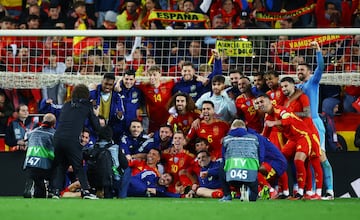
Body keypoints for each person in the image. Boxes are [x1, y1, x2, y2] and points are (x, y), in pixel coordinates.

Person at [255, 94, 318, 200]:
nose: (260, 105)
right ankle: (284, 192)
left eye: (262, 101)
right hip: (292, 139)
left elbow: (288, 120)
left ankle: (301, 193)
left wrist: (273, 123)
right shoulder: (268, 117)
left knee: (298, 161)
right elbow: (265, 135)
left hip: (303, 135)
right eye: (257, 103)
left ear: (270, 101)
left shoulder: (280, 110)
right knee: (280, 161)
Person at [296, 41, 335, 200]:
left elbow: (321, 68)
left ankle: (330, 191)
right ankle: (312, 191)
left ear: (309, 72)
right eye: (297, 69)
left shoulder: (312, 82)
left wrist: (318, 51)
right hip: (303, 127)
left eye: (302, 69)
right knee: (308, 160)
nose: (299, 71)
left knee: (321, 157)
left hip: (315, 124)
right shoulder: (297, 88)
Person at [51, 84, 101, 199]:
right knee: (78, 165)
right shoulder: (87, 105)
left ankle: (56, 191)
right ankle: (86, 191)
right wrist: (96, 115)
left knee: (61, 165)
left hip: (58, 138)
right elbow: (96, 126)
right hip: (71, 139)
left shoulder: (66, 105)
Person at [220, 119, 262, 202]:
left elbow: (224, 157)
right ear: (245, 129)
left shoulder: (226, 139)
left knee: (221, 166)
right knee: (253, 198)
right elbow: (260, 155)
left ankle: (227, 195)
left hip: (232, 176)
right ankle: (249, 191)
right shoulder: (254, 138)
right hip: (250, 174)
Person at [23, 113, 56, 198]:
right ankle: (50, 189)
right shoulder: (54, 134)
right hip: (43, 164)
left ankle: (32, 186)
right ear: (54, 124)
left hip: (29, 162)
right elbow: (53, 152)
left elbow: (25, 141)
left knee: (39, 192)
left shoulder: (32, 132)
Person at [90, 72, 126, 143]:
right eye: (106, 84)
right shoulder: (93, 94)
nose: (107, 87)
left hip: (109, 128)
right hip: (94, 128)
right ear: (102, 82)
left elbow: (121, 115)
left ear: (113, 85)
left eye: (110, 85)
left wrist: (120, 115)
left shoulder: (117, 97)